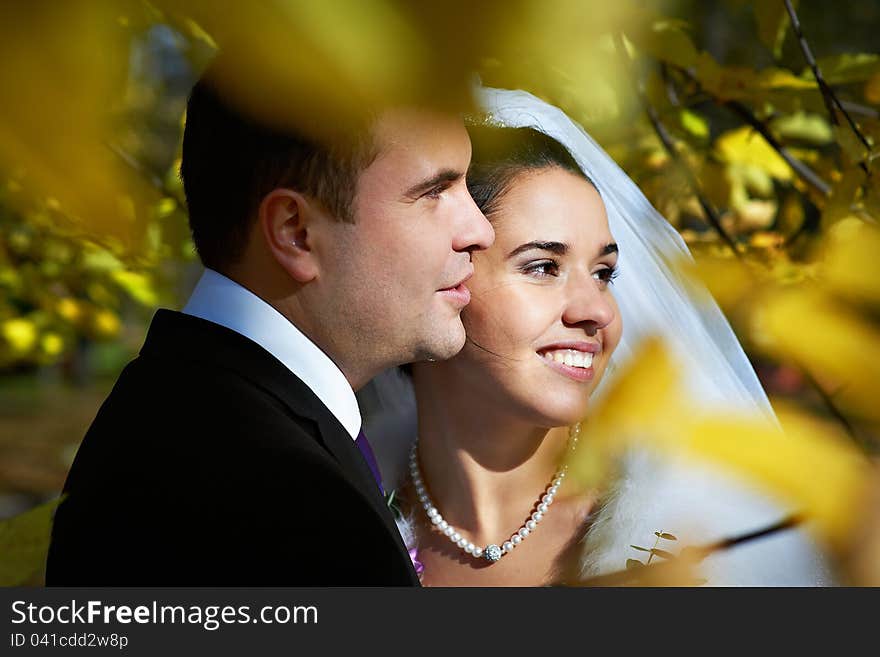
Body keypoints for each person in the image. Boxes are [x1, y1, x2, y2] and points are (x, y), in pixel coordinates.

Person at [45, 62, 494, 585]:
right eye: (434, 192)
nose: (479, 230)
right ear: (296, 232)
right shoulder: (276, 496)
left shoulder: (194, 409)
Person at [370, 87, 832, 586]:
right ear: (445, 279)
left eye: (603, 273)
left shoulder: (715, 537)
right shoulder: (331, 512)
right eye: (544, 266)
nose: (597, 311)